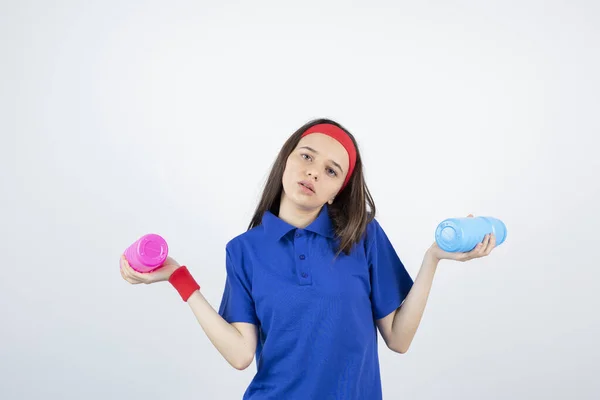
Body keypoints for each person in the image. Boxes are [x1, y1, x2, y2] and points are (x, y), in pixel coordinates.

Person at [120, 118, 496, 399]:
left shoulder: (361, 236)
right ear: (286, 160)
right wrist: (178, 278)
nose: (314, 171)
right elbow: (240, 355)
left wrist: (433, 258)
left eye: (331, 170)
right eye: (306, 156)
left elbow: (398, 339)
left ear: (336, 191)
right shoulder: (244, 250)